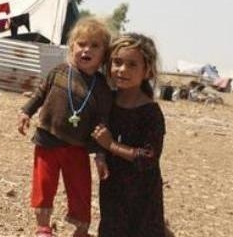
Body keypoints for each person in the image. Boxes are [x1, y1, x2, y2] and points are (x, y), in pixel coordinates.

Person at [17, 17, 113, 237]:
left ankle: (81, 229)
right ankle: (43, 227)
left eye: (94, 46)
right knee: (43, 183)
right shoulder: (59, 71)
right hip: (47, 139)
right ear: (72, 47)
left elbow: (102, 121)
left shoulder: (102, 88)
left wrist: (100, 153)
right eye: (81, 44)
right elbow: (40, 93)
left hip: (78, 147)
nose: (86, 49)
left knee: (80, 188)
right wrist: (25, 112)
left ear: (104, 55)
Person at [91, 33, 166, 236]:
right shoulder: (107, 101)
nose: (122, 70)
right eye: (117, 62)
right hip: (113, 189)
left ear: (147, 71)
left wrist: (111, 146)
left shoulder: (150, 112)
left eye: (132, 64)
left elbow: (149, 157)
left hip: (142, 196)